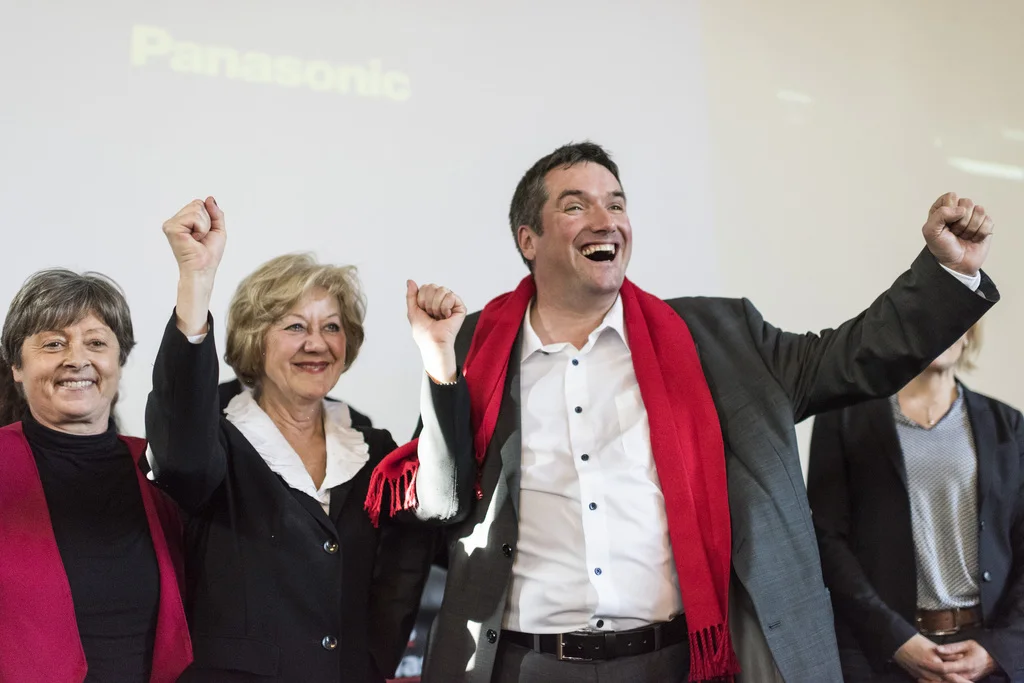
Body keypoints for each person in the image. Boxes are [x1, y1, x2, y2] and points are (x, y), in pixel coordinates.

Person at [367, 142, 999, 683]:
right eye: (576, 204)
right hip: (524, 665)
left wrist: (946, 272)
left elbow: (853, 355)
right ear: (527, 240)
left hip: (671, 661)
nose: (605, 218)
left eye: (616, 203)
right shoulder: (477, 344)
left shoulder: (720, 338)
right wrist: (438, 365)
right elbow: (439, 502)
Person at [144, 198, 472, 682]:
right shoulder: (216, 431)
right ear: (257, 338)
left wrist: (440, 355)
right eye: (295, 326)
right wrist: (195, 283)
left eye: (332, 327)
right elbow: (179, 463)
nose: (316, 344)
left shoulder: (368, 445)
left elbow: (436, 513)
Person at [0, 269, 192, 683]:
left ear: (118, 361)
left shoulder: (160, 471)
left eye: (96, 342)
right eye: (53, 343)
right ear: (16, 365)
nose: (76, 359)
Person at [808, 325, 1024, 683]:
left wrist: (996, 651)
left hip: (986, 657)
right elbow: (826, 540)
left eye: (956, 320)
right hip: (881, 656)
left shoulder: (1009, 427)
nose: (941, 329)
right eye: (930, 317)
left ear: (970, 335)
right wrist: (897, 641)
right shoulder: (843, 418)